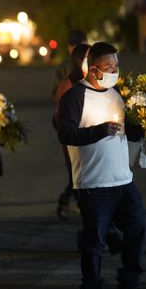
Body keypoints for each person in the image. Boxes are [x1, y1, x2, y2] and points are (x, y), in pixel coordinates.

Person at [57, 42, 146, 289]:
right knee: (94, 243)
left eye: (116, 65)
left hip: (123, 180)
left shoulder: (116, 92)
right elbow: (65, 134)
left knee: (138, 229)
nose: (114, 71)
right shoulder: (75, 97)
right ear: (93, 69)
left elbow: (127, 131)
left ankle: (129, 285)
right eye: (109, 67)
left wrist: (144, 127)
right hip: (94, 184)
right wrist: (99, 131)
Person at [54, 43, 91, 219]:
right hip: (76, 141)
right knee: (77, 177)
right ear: (78, 61)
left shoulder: (94, 82)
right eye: (86, 58)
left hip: (94, 140)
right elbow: (60, 118)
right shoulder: (68, 85)